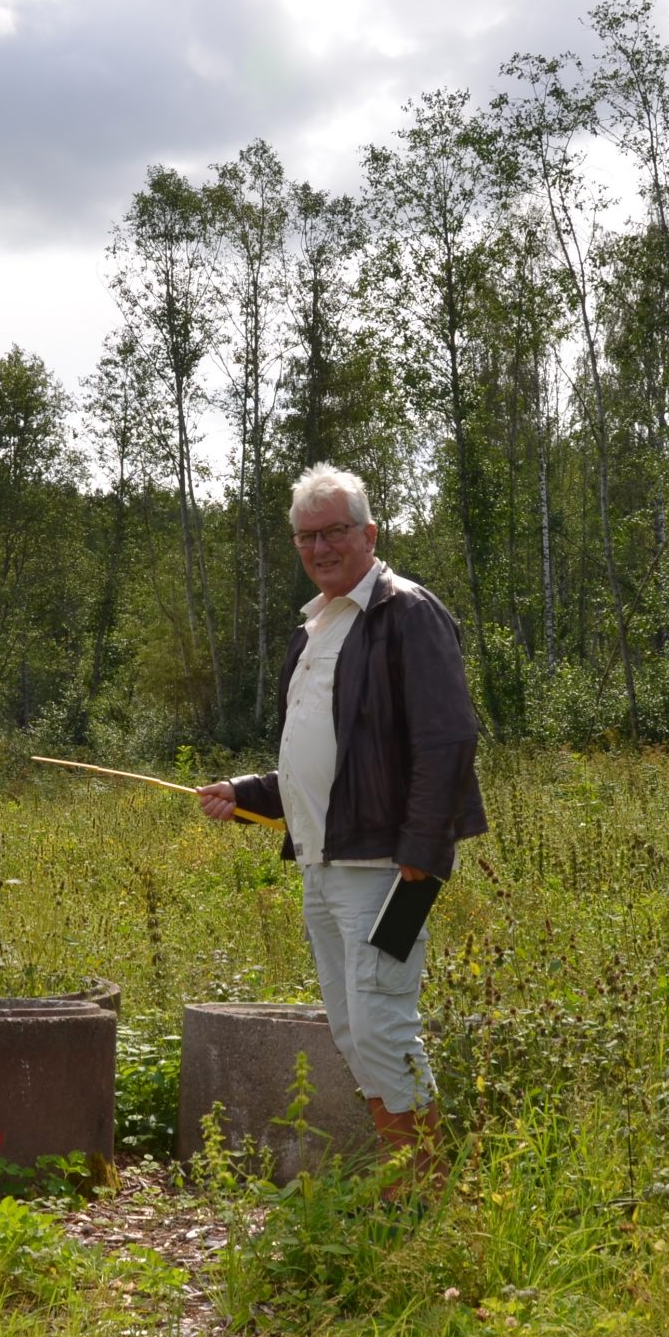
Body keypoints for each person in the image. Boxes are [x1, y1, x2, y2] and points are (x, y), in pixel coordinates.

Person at [196, 462, 486, 1175]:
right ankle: (408, 1175)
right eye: (306, 537)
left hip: (387, 869)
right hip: (325, 866)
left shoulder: (406, 613)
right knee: (353, 1028)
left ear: (369, 533)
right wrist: (246, 793)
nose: (321, 548)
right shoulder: (316, 627)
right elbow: (330, 761)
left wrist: (421, 851)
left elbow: (447, 739)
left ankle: (428, 1184)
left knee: (384, 1024)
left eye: (335, 532)